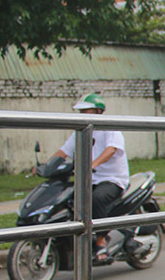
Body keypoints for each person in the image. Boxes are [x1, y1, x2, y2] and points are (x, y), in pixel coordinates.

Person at [52, 93, 129, 262]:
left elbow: (111, 150)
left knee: (96, 198)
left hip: (112, 179)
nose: (83, 114)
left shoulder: (109, 127)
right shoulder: (81, 130)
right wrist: (47, 166)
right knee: (66, 200)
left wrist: (91, 165)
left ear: (98, 111)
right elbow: (64, 151)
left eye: (86, 110)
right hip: (89, 179)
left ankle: (101, 239)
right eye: (81, 112)